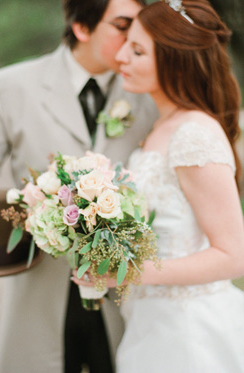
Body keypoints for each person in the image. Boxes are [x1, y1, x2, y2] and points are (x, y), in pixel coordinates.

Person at [0, 0, 158, 371]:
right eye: (123, 25)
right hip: (40, 277)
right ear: (82, 28)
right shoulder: (12, 86)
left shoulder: (149, 90)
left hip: (124, 289)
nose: (135, 37)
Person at [72, 0, 244, 371]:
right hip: (150, 321)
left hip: (190, 333)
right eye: (125, 44)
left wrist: (125, 271)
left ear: (175, 59)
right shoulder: (162, 126)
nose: (121, 57)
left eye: (137, 50)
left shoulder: (194, 133)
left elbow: (234, 255)